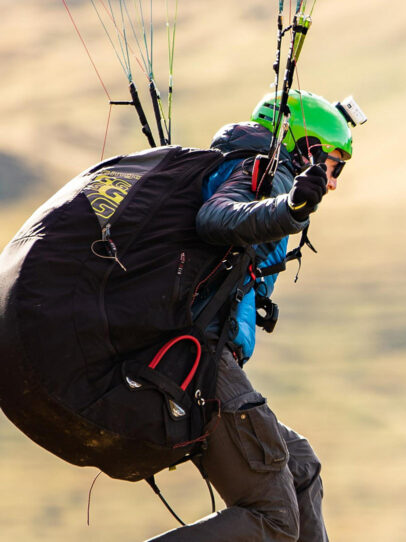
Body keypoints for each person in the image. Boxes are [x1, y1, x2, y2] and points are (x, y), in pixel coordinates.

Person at [150, 89, 363, 542]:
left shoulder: (258, 168)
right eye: (334, 164)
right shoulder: (263, 169)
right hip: (197, 356)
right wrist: (287, 209)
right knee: (274, 517)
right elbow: (216, 216)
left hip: (208, 353)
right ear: (308, 147)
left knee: (300, 465)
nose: (334, 181)